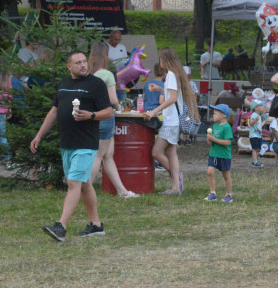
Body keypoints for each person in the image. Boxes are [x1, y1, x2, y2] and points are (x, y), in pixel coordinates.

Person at [31, 51, 113, 241]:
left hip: (86, 142)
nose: (83, 65)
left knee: (73, 182)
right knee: (84, 184)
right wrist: (39, 135)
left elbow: (108, 112)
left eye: (84, 61)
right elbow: (54, 111)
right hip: (67, 143)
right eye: (78, 62)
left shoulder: (96, 84)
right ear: (69, 66)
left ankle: (61, 227)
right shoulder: (64, 84)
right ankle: (96, 225)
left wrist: (91, 115)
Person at [143, 47, 197, 195]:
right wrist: (160, 90)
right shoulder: (175, 74)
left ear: (165, 59)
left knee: (156, 152)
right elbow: (173, 95)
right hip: (174, 120)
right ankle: (176, 187)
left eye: (161, 58)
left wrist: (154, 111)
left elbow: (172, 98)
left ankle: (177, 178)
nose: (159, 61)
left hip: (171, 121)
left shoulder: (171, 75)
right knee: (171, 152)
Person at [88, 42, 138, 199]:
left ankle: (122, 191)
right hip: (106, 117)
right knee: (98, 155)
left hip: (92, 116)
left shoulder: (88, 73)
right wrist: (120, 105)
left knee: (108, 155)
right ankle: (85, 189)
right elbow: (112, 99)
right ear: (105, 56)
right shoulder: (107, 75)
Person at [205, 103, 234, 202]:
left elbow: (227, 143)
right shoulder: (215, 126)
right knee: (209, 172)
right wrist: (209, 139)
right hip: (213, 154)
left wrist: (214, 139)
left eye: (215, 113)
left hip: (224, 156)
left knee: (226, 175)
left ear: (223, 115)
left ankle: (228, 195)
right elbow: (210, 143)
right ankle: (212, 193)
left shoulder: (227, 127)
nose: (213, 115)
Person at [247, 100, 265, 167]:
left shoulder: (258, 115)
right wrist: (256, 120)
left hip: (258, 135)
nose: (262, 107)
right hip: (254, 135)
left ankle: (255, 161)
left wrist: (264, 121)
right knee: (254, 149)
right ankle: (255, 162)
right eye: (261, 105)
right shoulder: (254, 115)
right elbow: (251, 123)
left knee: (257, 149)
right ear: (256, 108)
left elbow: (259, 126)